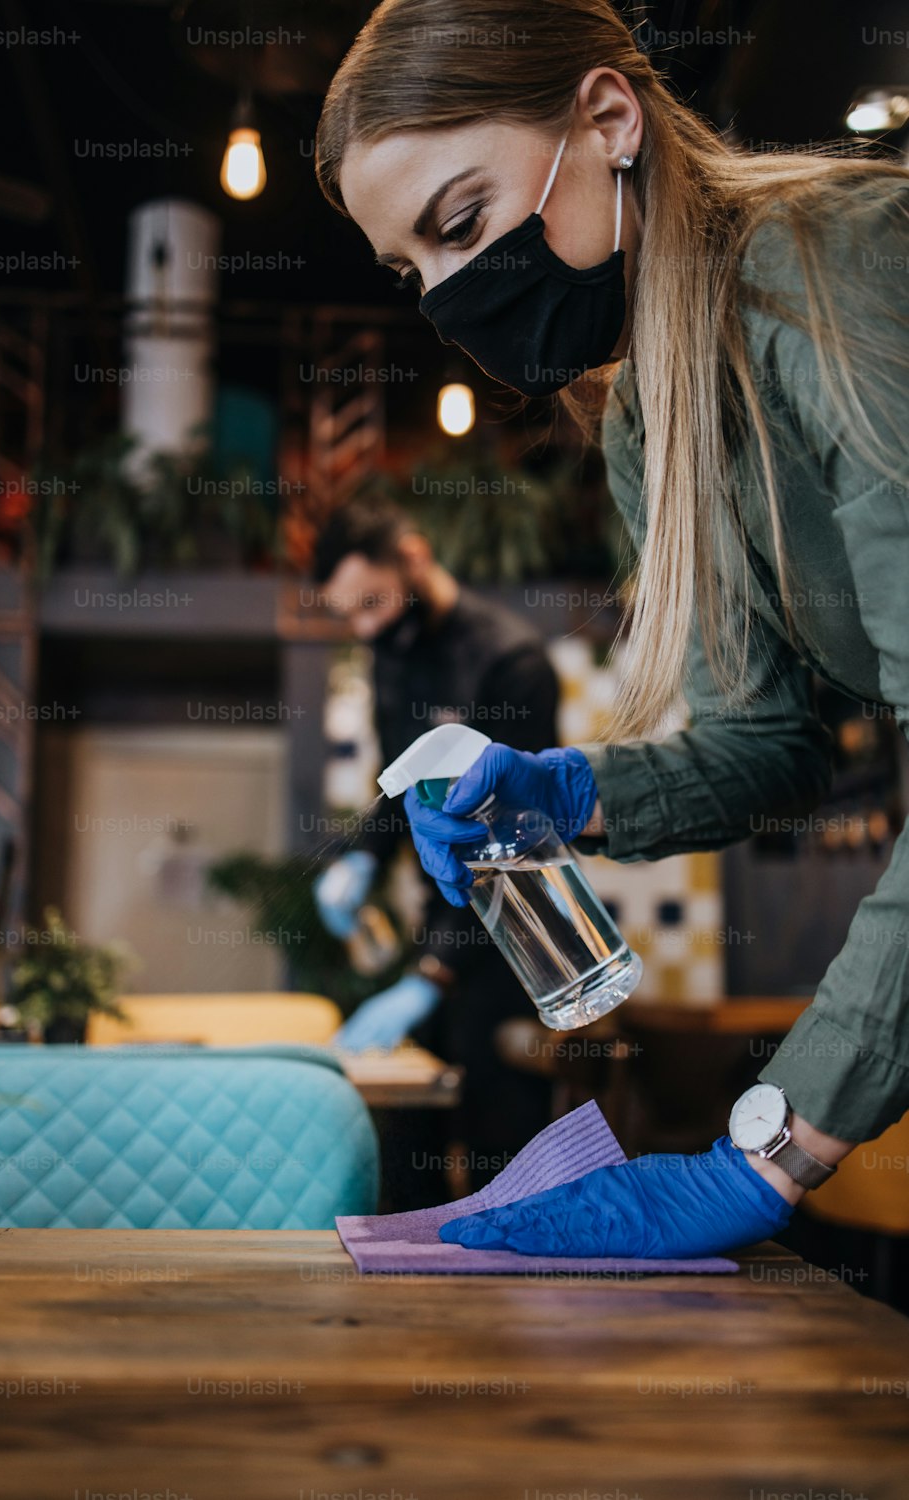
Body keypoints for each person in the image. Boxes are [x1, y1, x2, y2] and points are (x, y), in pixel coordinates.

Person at [313, 0, 909, 1257]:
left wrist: (775, 1145)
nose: (447, 297)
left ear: (607, 120)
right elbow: (771, 744)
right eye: (411, 269)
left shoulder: (838, 272)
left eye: (462, 222)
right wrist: (563, 792)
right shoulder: (650, 425)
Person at [311, 496, 559, 1197]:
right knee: (406, 1151)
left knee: (501, 1163)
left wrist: (431, 975)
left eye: (373, 602)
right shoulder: (393, 655)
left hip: (514, 940)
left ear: (413, 558)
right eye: (350, 614)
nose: (365, 626)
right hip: (442, 920)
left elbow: (508, 838)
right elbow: (400, 785)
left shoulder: (512, 664)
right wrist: (361, 855)